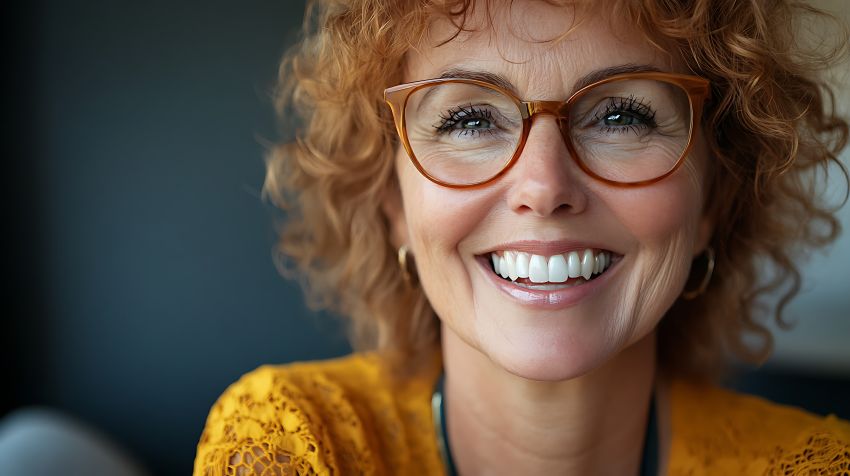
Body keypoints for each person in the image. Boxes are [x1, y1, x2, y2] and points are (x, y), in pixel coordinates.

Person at [194, 0, 850, 474]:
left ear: (715, 197)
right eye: (471, 119)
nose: (542, 185)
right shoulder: (293, 443)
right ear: (393, 201)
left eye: (622, 115)